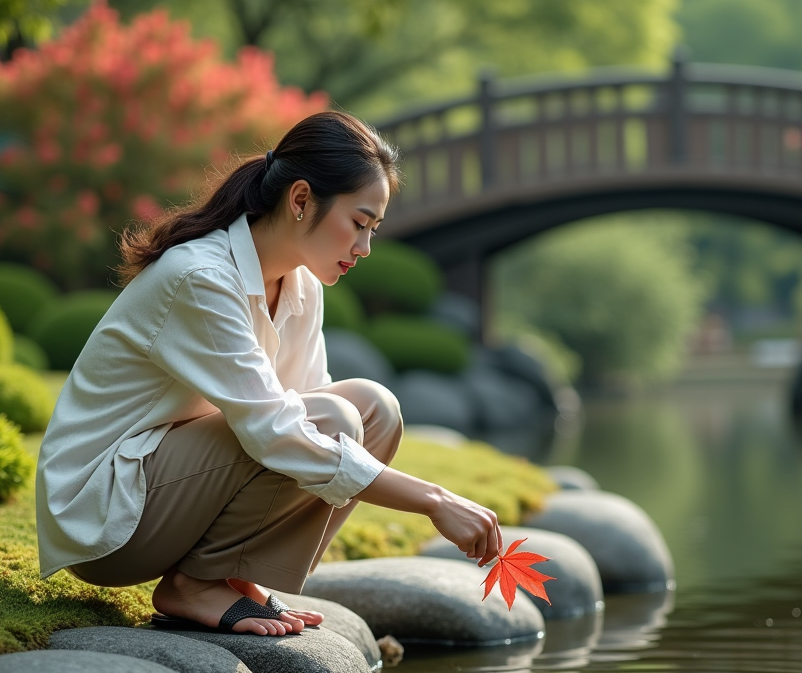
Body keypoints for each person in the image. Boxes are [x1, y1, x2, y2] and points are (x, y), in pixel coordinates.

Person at [36, 111, 503, 636]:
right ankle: (194, 585)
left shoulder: (301, 288)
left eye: (373, 229)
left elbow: (307, 416)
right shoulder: (200, 278)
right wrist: (434, 500)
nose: (365, 248)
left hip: (168, 490)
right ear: (301, 200)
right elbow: (280, 431)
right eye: (358, 223)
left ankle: (234, 579)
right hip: (103, 515)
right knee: (329, 419)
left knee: (376, 412)